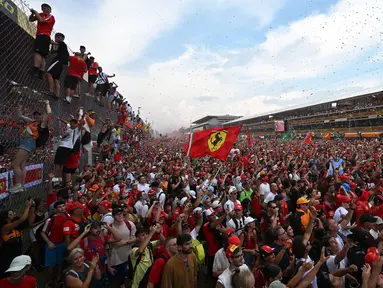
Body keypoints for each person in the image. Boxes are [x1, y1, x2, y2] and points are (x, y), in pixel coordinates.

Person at [9, 100, 51, 193]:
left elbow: (49, 113)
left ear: (42, 116)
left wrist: (47, 104)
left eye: (38, 115)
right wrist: (19, 106)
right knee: (22, 165)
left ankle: (18, 185)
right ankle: (22, 185)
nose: (36, 116)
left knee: (15, 164)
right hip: (26, 142)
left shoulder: (42, 125)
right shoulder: (32, 121)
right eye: (35, 115)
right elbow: (19, 116)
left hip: (27, 143)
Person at [0, 200, 33, 278]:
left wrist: (31, 208)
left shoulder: (15, 226)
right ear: (6, 218)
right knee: (7, 268)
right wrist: (27, 206)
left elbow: (27, 220)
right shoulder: (6, 227)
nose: (14, 214)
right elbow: (22, 219)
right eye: (11, 214)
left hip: (17, 249)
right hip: (8, 252)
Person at [41, 200, 69, 287]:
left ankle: (58, 279)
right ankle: (49, 281)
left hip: (62, 243)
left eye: (63, 206)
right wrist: (49, 243)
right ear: (55, 209)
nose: (62, 208)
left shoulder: (67, 216)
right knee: (50, 264)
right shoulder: (51, 219)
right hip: (52, 244)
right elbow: (42, 233)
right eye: (60, 207)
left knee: (60, 262)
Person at [109, 207, 137, 286]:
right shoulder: (109, 227)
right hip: (114, 260)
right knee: (115, 282)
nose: (120, 215)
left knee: (126, 281)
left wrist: (124, 243)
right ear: (113, 216)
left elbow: (134, 238)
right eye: (117, 214)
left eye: (121, 213)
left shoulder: (130, 224)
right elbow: (110, 244)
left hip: (127, 257)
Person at [52, 117, 84, 184]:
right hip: (65, 147)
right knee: (61, 163)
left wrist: (83, 116)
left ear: (77, 124)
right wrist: (61, 119)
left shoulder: (77, 130)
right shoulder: (69, 128)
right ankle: (58, 178)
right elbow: (67, 123)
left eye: (75, 123)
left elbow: (80, 124)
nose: (72, 123)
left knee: (57, 163)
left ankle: (56, 177)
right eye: (72, 122)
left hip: (65, 147)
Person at [29, 3, 55, 79]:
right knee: (43, 56)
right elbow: (31, 19)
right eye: (44, 8)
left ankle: (35, 70)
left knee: (37, 53)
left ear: (50, 11)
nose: (46, 10)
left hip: (43, 36)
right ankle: (41, 73)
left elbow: (41, 20)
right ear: (42, 9)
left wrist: (35, 12)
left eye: (48, 9)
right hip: (43, 37)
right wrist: (32, 14)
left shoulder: (50, 16)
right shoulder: (40, 14)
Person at [45, 32, 69, 98]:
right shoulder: (62, 46)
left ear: (62, 38)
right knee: (56, 78)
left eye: (58, 37)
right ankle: (57, 94)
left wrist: (49, 41)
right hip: (61, 63)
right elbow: (53, 51)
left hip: (58, 60)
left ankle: (50, 91)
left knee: (48, 73)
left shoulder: (62, 44)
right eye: (56, 37)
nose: (57, 39)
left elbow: (54, 45)